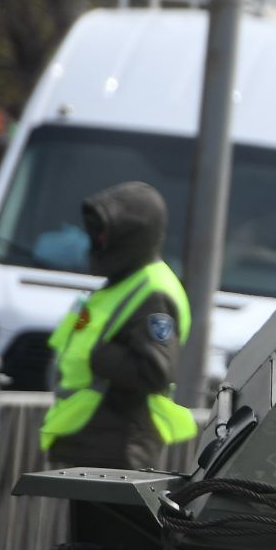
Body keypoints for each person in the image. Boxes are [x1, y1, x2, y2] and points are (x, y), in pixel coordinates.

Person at [39, 182, 197, 469]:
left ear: (131, 237)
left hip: (119, 450)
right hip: (94, 443)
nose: (97, 240)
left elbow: (154, 371)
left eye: (105, 233)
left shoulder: (153, 290)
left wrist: (99, 357)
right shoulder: (120, 283)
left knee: (109, 516)